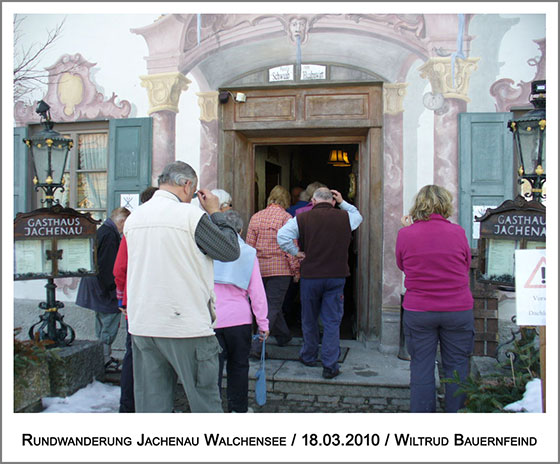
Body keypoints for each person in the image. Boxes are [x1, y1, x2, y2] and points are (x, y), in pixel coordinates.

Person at [124, 161, 240, 413]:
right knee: (205, 404)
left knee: (152, 406)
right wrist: (215, 212)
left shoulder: (135, 217)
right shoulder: (189, 215)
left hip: (144, 323)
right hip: (185, 324)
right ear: (187, 185)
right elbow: (230, 251)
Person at [395, 184, 474, 413]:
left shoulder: (405, 234)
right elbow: (466, 264)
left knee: (421, 366)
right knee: (457, 366)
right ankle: (456, 415)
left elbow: (402, 265)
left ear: (418, 205)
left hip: (419, 309)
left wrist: (409, 230)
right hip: (457, 308)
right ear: (445, 205)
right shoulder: (457, 232)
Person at [278, 188, 362, 379]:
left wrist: (296, 252)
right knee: (332, 321)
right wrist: (342, 202)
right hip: (336, 276)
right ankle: (330, 364)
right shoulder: (344, 217)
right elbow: (358, 216)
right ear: (332, 201)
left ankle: (308, 355)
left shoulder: (303, 218)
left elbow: (281, 236)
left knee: (309, 318)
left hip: (311, 276)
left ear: (313, 201)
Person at [213, 210, 269, 413]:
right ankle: (238, 409)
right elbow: (257, 291)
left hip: (211, 319)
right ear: (241, 229)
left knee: (212, 371)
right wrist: (263, 323)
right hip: (239, 320)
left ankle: (213, 410)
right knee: (239, 366)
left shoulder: (205, 250)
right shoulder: (247, 253)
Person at [113, 186, 158, 413]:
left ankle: (128, 407)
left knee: (134, 354)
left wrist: (124, 300)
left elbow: (120, 269)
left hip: (137, 303)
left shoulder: (133, 226)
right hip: (162, 301)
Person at [246, 185, 299, 353]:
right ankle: (256, 346)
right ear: (286, 200)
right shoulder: (286, 218)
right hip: (280, 269)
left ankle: (283, 336)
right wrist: (296, 270)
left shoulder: (256, 217)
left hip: (259, 269)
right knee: (272, 307)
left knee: (268, 305)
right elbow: (290, 247)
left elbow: (249, 247)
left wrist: (247, 270)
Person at [76, 207, 131, 368]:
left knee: (102, 323)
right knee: (108, 323)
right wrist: (114, 289)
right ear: (121, 221)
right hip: (104, 288)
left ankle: (102, 358)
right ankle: (105, 360)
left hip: (95, 285)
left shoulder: (105, 231)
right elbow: (108, 266)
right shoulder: (110, 235)